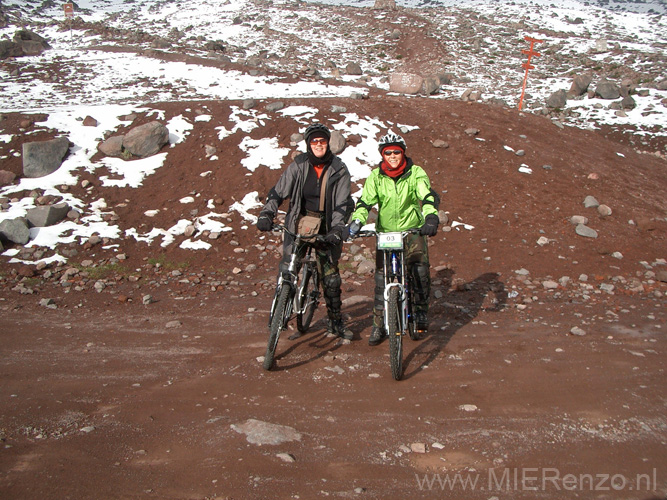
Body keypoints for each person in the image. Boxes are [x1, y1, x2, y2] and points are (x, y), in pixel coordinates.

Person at [256, 123, 354, 340]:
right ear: (309, 144)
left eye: (322, 141)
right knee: (288, 269)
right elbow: (278, 192)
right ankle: (280, 310)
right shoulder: (298, 165)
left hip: (327, 226)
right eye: (314, 141)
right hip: (298, 223)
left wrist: (338, 228)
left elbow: (342, 204)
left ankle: (335, 322)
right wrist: (266, 213)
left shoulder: (339, 168)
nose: (319, 145)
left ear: (328, 143)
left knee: (331, 278)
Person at [347, 132, 440, 346]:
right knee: (382, 280)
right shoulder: (376, 176)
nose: (392, 156)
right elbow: (364, 202)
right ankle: (378, 325)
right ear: (382, 155)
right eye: (387, 152)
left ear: (403, 152)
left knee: (419, 271)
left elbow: (426, 196)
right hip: (386, 232)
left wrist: (431, 217)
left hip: (412, 230)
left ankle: (420, 314)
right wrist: (357, 222)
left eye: (396, 152)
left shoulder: (415, 173)